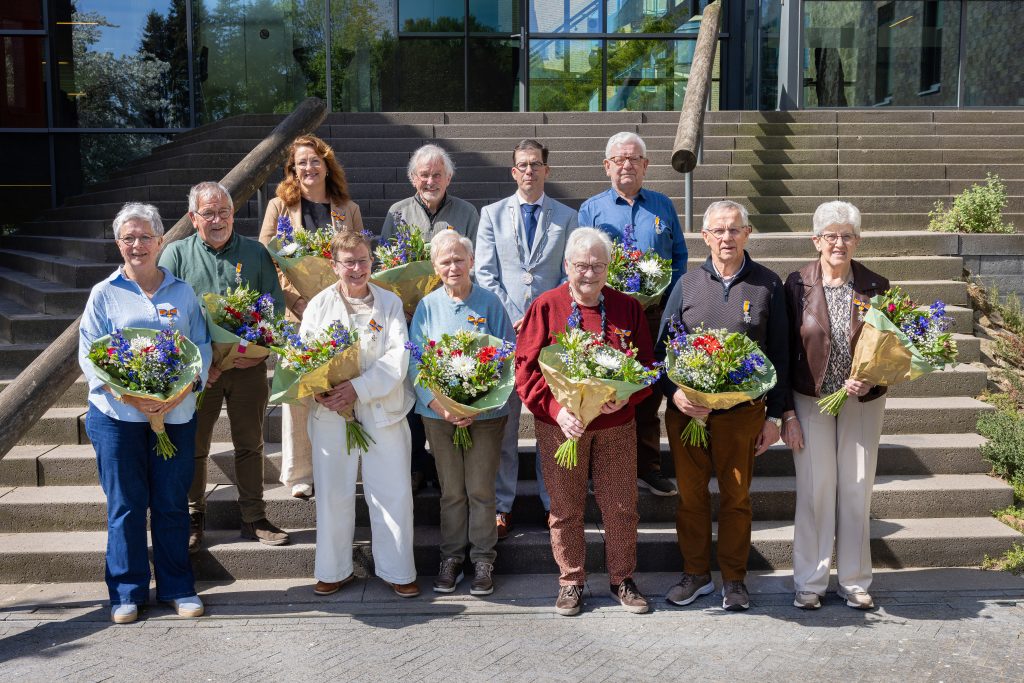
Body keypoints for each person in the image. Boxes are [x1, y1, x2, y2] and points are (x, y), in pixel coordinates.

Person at [78, 203, 212, 624]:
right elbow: (90, 356)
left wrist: (182, 389)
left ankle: (177, 587)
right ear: (119, 244)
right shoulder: (104, 293)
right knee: (126, 505)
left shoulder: (183, 292)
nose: (137, 245)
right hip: (118, 419)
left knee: (172, 502)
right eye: (128, 238)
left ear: (160, 241)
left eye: (145, 236)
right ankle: (126, 593)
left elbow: (201, 348)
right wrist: (133, 396)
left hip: (175, 414)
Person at [515, 228, 654, 617]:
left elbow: (645, 368)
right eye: (581, 265)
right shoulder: (546, 306)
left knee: (621, 505)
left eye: (597, 265)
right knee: (564, 506)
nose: (589, 273)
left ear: (609, 268)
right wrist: (558, 411)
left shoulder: (627, 308)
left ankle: (622, 579)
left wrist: (623, 396)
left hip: (615, 426)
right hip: (562, 427)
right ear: (567, 266)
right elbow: (526, 371)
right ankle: (571, 581)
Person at [658, 200, 789, 612]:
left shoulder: (768, 284)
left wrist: (774, 416)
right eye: (718, 230)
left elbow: (781, 355)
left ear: (747, 234)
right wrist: (673, 393)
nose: (726, 238)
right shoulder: (686, 284)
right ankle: (695, 574)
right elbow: (663, 349)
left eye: (734, 230)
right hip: (688, 413)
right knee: (691, 497)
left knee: (736, 498)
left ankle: (734, 580)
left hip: (742, 416)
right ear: (704, 236)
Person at [159, 181, 290, 552]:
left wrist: (261, 349)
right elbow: (166, 316)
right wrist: (202, 364)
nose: (218, 220)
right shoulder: (176, 255)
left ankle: (254, 516)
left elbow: (274, 309)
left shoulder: (255, 253)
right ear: (192, 217)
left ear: (233, 214)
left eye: (224, 212)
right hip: (197, 374)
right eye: (209, 213)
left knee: (250, 443)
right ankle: (193, 517)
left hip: (248, 368)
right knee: (194, 445)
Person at [782, 201, 889, 611]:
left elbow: (890, 351)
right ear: (816, 240)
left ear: (857, 241)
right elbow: (784, 348)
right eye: (831, 235)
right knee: (815, 488)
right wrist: (787, 412)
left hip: (862, 402)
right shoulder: (796, 286)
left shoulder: (877, 287)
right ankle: (810, 581)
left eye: (847, 235)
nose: (839, 243)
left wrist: (872, 377)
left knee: (857, 488)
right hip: (810, 400)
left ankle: (855, 581)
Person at [301, 230, 419, 598]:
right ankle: (333, 569)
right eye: (348, 262)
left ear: (372, 262)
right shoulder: (319, 305)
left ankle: (398, 570)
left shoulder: (389, 303)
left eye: (363, 260)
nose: (357, 268)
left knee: (393, 491)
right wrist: (322, 389)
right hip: (333, 411)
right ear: (334, 266)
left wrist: (359, 388)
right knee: (334, 492)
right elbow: (304, 356)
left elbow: (398, 355)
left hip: (383, 408)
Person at [475, 138, 578, 539]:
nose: (529, 171)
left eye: (536, 164)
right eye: (522, 165)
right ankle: (502, 506)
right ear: (513, 171)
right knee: (504, 424)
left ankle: (555, 503)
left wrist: (540, 318)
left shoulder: (567, 217)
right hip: (506, 333)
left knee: (552, 424)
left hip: (552, 337)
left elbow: (570, 274)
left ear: (546, 171)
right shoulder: (491, 214)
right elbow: (485, 273)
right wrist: (518, 317)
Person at [578, 131, 687, 498]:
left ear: (646, 165)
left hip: (655, 316)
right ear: (607, 166)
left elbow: (680, 258)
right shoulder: (591, 209)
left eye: (634, 158)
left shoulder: (663, 205)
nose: (627, 164)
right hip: (609, 316)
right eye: (619, 159)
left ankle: (648, 466)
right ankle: (598, 469)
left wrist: (671, 302)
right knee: (604, 387)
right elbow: (583, 260)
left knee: (648, 389)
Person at [409, 230, 515, 595]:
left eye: (459, 259)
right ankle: (451, 557)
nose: (453, 266)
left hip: (484, 418)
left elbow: (507, 358)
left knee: (481, 491)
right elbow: (416, 361)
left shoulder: (490, 304)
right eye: (445, 261)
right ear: (435, 267)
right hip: (439, 417)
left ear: (471, 261)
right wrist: (443, 406)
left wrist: (478, 404)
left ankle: (484, 559)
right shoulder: (427, 306)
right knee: (452, 491)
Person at [259, 134, 364, 500]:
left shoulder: (346, 208)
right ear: (292, 169)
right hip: (297, 314)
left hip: (339, 313)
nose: (309, 167)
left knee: (340, 383)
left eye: (315, 160)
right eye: (301, 162)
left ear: (327, 165)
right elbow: (266, 259)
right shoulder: (278, 207)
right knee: (299, 392)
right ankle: (300, 472)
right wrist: (292, 299)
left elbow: (358, 256)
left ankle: (344, 461)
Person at [380, 143, 480, 494]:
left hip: (452, 316)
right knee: (414, 389)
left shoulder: (467, 212)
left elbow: (474, 264)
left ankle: (444, 467)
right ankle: (416, 465)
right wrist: (400, 302)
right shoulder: (397, 213)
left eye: (437, 174)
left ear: (449, 177)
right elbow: (384, 268)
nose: (431, 180)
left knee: (449, 384)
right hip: (409, 319)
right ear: (413, 178)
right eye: (424, 174)